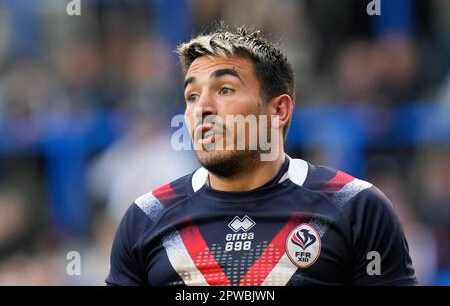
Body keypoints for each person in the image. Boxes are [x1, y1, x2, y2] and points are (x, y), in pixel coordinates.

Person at [106, 24, 417, 286]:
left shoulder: (356, 208)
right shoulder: (145, 218)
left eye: (225, 90)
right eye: (192, 96)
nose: (202, 109)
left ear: (278, 110)